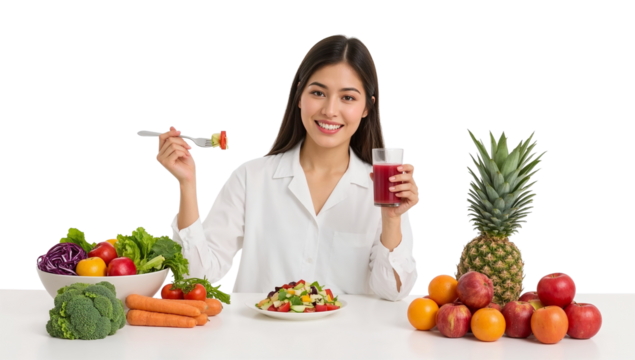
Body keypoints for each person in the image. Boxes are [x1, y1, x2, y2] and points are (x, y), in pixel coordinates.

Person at [156, 33, 419, 301]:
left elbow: (392, 293)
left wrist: (391, 218)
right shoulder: (251, 177)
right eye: (318, 93)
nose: (330, 110)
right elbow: (195, 277)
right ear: (299, 96)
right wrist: (187, 185)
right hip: (259, 341)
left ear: (367, 107)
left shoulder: (383, 188)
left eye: (347, 98)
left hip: (345, 343)